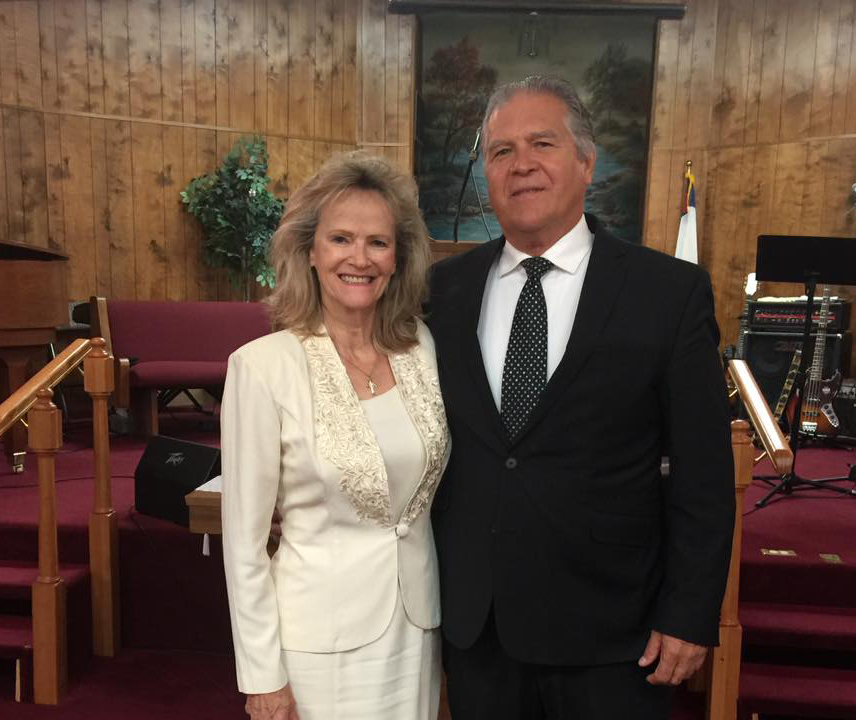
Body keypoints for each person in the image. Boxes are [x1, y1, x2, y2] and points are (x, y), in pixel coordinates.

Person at [426, 75, 735, 719]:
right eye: (501, 151)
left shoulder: (668, 293)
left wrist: (691, 612)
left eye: (543, 142)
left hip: (615, 632)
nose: (522, 165)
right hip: (480, 628)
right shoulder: (442, 292)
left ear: (587, 161)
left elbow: (704, 476)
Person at [221, 152, 450, 720]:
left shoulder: (421, 347)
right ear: (310, 252)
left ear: (398, 258)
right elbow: (243, 543)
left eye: (378, 242)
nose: (359, 258)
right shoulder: (261, 366)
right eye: (341, 239)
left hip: (417, 628)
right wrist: (262, 675)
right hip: (316, 639)